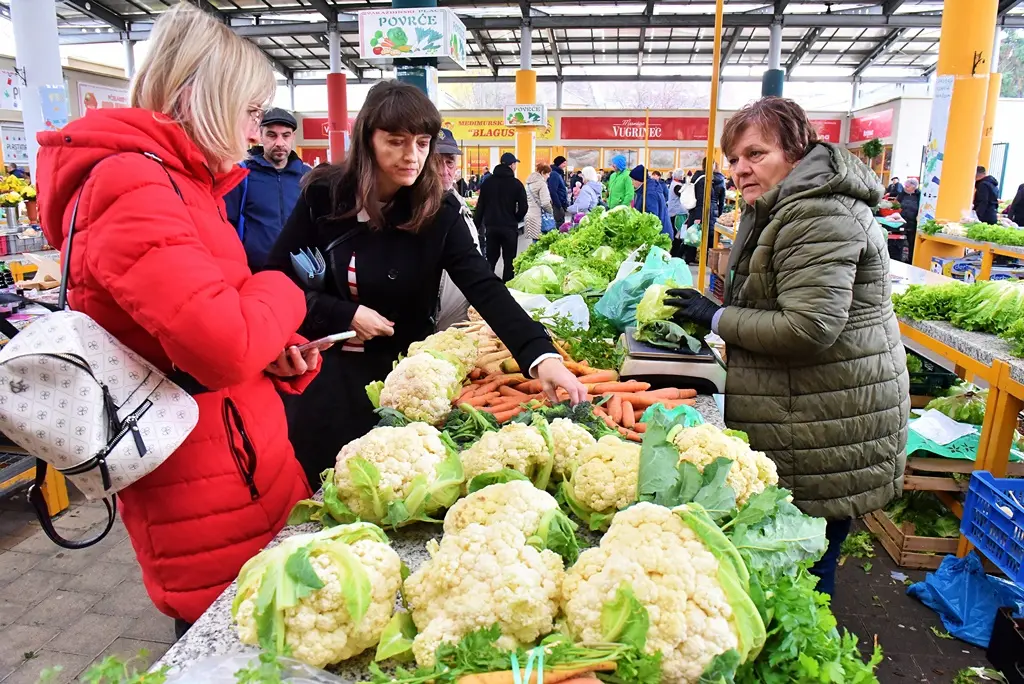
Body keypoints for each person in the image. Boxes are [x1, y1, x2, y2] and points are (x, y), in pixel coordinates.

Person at [35, 3, 321, 636]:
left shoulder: (182, 184)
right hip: (206, 486)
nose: (256, 132)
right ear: (202, 96)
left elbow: (204, 327)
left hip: (238, 458)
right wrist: (287, 287)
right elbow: (223, 347)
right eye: (250, 112)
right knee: (234, 639)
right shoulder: (131, 184)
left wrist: (277, 343)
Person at [266, 80, 586, 486]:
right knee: (320, 482)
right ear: (368, 139)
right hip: (325, 373)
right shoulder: (325, 195)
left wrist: (541, 356)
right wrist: (343, 312)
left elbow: (485, 287)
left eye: (422, 142)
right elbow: (275, 278)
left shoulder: (438, 208)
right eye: (396, 142)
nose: (412, 156)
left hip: (403, 383)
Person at [665, 97, 908, 598]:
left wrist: (715, 317)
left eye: (756, 154)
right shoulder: (790, 204)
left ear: (796, 152)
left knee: (805, 570)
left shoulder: (817, 214)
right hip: (813, 409)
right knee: (798, 558)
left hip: (824, 417)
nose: (740, 169)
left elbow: (808, 327)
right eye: (733, 159)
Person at [223, 107, 312, 271]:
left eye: (285, 135)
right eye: (271, 135)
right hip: (255, 270)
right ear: (260, 136)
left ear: (293, 137)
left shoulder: (307, 176)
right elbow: (227, 224)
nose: (279, 143)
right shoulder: (242, 174)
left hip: (300, 271)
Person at [435, 129, 484, 331]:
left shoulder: (457, 203)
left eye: (450, 162)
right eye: (436, 162)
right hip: (430, 320)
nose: (444, 170)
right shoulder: (414, 211)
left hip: (458, 313)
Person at [475, 152, 529, 281]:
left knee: (491, 259)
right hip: (509, 227)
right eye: (515, 164)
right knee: (509, 261)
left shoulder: (487, 183)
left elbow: (480, 206)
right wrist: (515, 218)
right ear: (511, 165)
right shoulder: (516, 184)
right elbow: (524, 207)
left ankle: (488, 285)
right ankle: (507, 288)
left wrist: (475, 225)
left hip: (491, 227)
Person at [629, 165, 672, 237]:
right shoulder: (645, 189)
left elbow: (652, 217)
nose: (632, 183)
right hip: (659, 232)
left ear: (639, 180)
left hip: (658, 234)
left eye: (633, 180)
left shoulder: (650, 193)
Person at [688, 159, 726, 229]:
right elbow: (722, 202)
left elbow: (696, 197)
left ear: (703, 165)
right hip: (713, 213)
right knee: (711, 237)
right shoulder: (721, 180)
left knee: (694, 236)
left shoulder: (698, 177)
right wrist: (719, 214)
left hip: (696, 211)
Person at [524, 162, 554, 241]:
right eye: (547, 174)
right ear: (542, 172)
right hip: (539, 217)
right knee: (543, 244)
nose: (549, 176)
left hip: (529, 215)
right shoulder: (541, 184)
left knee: (535, 243)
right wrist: (551, 212)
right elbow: (545, 203)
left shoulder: (528, 184)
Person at [897, 178, 921, 263]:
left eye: (907, 186)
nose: (905, 188)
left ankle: (910, 260)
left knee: (912, 242)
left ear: (914, 187)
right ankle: (899, 258)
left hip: (913, 222)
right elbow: (898, 202)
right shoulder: (902, 194)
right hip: (902, 221)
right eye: (905, 186)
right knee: (899, 240)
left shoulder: (919, 195)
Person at [667, 169, 689, 258]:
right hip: (678, 214)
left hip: (675, 213)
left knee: (678, 234)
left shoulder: (674, 184)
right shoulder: (677, 186)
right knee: (679, 235)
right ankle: (676, 255)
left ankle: (676, 254)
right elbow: (683, 196)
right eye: (682, 175)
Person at [547, 155, 569, 227]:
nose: (565, 165)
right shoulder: (554, 174)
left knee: (561, 222)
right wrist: (559, 205)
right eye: (564, 163)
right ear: (559, 163)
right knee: (559, 223)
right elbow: (553, 191)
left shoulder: (558, 173)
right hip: (557, 204)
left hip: (560, 202)